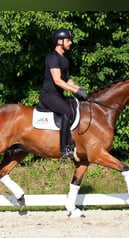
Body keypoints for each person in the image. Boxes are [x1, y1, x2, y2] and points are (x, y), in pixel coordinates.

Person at [39, 28, 88, 160]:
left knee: (75, 107)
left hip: (58, 96)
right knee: (67, 112)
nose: (71, 43)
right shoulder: (53, 57)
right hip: (49, 95)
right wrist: (75, 91)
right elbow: (57, 80)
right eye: (68, 40)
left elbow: (67, 80)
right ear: (60, 41)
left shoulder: (64, 60)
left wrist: (80, 89)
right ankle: (64, 149)